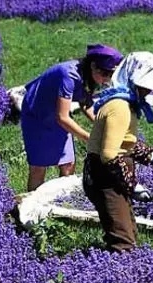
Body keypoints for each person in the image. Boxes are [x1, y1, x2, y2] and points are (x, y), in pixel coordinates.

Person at [83, 51, 153, 253]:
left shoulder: (124, 102)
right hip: (103, 178)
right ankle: (119, 279)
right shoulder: (120, 107)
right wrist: (133, 185)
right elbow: (109, 154)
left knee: (128, 229)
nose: (148, 90)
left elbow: (124, 142)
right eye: (145, 85)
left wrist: (150, 155)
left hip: (111, 177)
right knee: (123, 241)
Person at [21, 44, 123, 191]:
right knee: (39, 167)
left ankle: (62, 202)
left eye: (111, 75)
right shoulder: (68, 75)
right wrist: (90, 138)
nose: (107, 80)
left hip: (57, 112)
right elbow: (62, 118)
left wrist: (103, 125)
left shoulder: (89, 76)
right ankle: (30, 207)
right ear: (93, 66)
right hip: (37, 113)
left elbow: (86, 104)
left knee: (68, 164)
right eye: (105, 74)